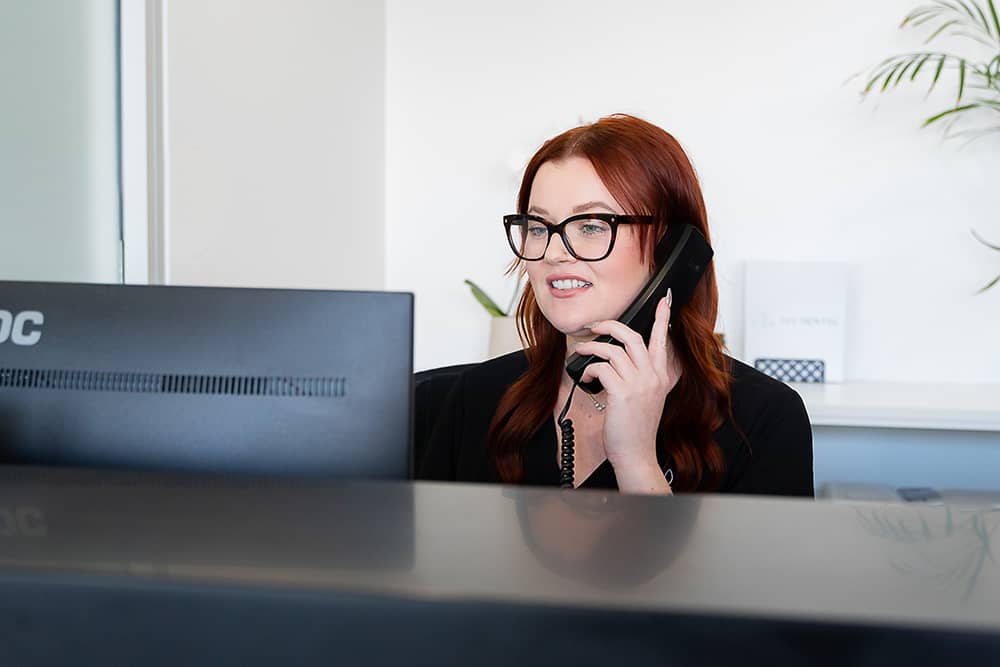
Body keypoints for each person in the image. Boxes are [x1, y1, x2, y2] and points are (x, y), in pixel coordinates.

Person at [418, 114, 813, 496]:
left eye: (591, 225)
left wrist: (637, 461)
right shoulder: (476, 398)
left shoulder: (764, 418)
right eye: (539, 227)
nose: (553, 252)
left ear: (671, 251)